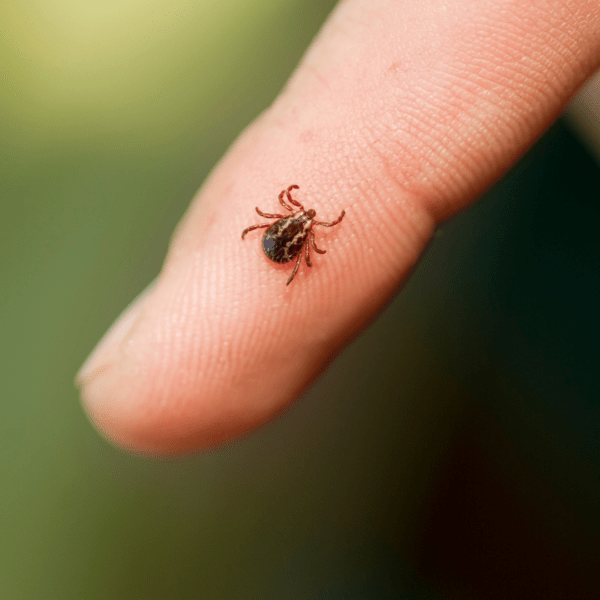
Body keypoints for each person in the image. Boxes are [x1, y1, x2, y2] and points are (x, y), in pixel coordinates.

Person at [76, 0, 600, 454]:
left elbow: (283, 234)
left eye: (299, 220)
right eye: (298, 218)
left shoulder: (291, 229)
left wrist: (286, 239)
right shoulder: (298, 231)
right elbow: (295, 244)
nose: (299, 223)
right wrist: (294, 244)